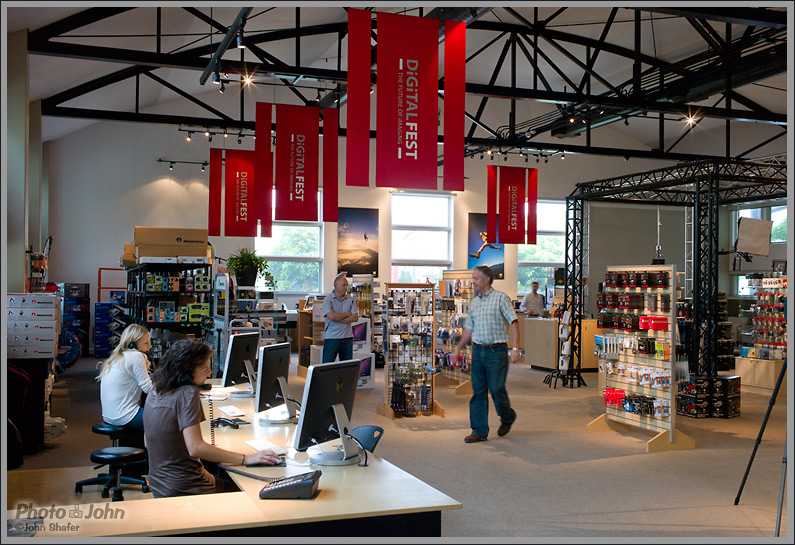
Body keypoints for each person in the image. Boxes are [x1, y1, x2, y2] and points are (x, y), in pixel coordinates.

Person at [143, 339, 281, 498]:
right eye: (205, 368)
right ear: (188, 369)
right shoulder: (186, 392)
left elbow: (148, 441)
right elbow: (195, 448)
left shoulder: (156, 389)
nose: (209, 372)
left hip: (158, 485)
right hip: (187, 486)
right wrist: (247, 458)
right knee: (256, 492)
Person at [453, 265, 520, 443]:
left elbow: (514, 321)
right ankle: (479, 431)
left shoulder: (500, 298)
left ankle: (507, 417)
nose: (472, 282)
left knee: (497, 389)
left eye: (475, 278)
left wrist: (515, 347)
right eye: (472, 278)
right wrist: (458, 348)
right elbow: (468, 330)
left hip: (496, 352)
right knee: (478, 391)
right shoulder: (474, 303)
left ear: (486, 280)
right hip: (477, 351)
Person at [97, 324, 153, 432]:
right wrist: (169, 394)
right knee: (166, 418)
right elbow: (148, 388)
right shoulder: (136, 355)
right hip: (125, 416)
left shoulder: (118, 356)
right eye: (146, 343)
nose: (149, 346)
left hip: (109, 415)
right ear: (133, 345)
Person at [321, 274, 359, 363]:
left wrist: (337, 317)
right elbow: (331, 316)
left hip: (347, 338)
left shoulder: (351, 300)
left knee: (346, 367)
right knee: (327, 367)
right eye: (343, 285)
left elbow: (355, 317)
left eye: (347, 285)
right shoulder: (327, 300)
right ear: (335, 286)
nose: (346, 288)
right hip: (332, 338)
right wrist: (347, 314)